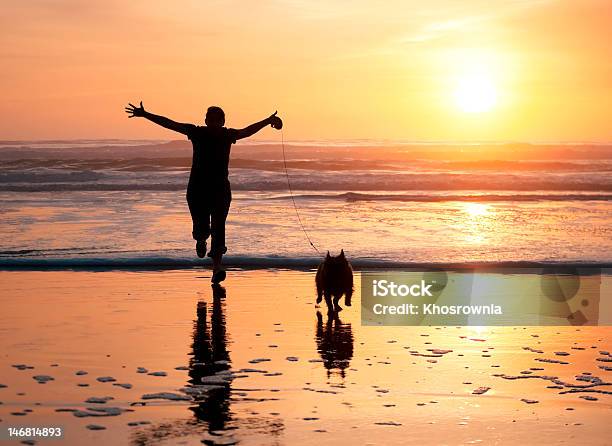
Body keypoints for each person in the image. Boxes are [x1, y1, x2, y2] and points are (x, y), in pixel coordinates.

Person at [125, 101, 282, 283]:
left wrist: (267, 120)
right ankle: (200, 240)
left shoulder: (227, 135)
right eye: (211, 119)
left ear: (223, 121)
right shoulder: (197, 132)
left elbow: (247, 131)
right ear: (206, 120)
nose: (214, 122)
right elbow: (171, 124)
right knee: (201, 228)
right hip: (197, 189)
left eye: (218, 120)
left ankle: (216, 269)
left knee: (219, 229)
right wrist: (146, 115)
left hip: (220, 190)